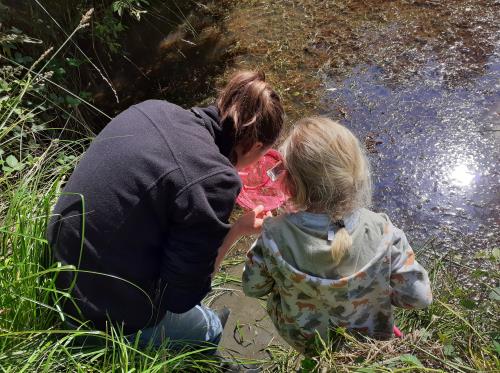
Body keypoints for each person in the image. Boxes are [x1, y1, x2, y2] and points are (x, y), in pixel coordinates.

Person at [46, 70, 284, 349]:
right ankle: (198, 355)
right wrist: (237, 231)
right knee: (208, 327)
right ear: (257, 146)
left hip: (52, 271)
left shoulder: (153, 108)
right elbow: (180, 299)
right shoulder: (215, 179)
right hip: (92, 314)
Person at [242, 117, 432, 354]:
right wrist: (375, 291)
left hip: (306, 340)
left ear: (290, 182)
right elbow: (419, 297)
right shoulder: (384, 231)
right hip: (370, 341)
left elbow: (253, 288)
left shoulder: (272, 235)